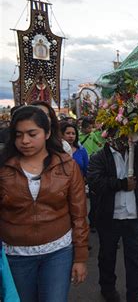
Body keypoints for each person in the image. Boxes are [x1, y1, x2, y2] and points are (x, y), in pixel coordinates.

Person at [0, 106, 88, 301]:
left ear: (47, 133)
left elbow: (79, 214)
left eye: (32, 134)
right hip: (15, 255)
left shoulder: (66, 165)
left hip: (58, 253)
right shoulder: (4, 168)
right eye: (19, 135)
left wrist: (80, 257)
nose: (25, 141)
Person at [87, 134, 138, 302]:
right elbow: (95, 181)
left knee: (134, 259)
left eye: (125, 134)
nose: (121, 138)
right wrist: (121, 184)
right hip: (109, 217)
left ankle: (135, 294)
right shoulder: (99, 157)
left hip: (133, 217)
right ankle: (108, 288)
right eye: (116, 133)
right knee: (107, 257)